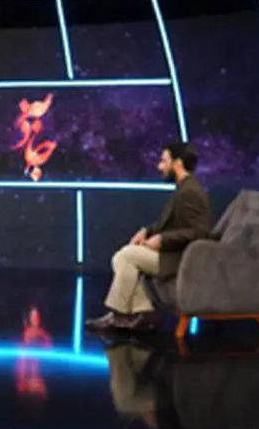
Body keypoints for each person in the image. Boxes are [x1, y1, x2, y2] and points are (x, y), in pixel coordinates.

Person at [86, 142, 211, 333]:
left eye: (164, 161)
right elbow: (171, 223)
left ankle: (120, 315)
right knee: (125, 255)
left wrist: (162, 240)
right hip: (172, 254)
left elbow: (200, 231)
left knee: (126, 257)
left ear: (177, 163)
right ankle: (142, 312)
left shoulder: (190, 192)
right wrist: (148, 231)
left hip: (179, 258)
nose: (160, 167)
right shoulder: (184, 188)